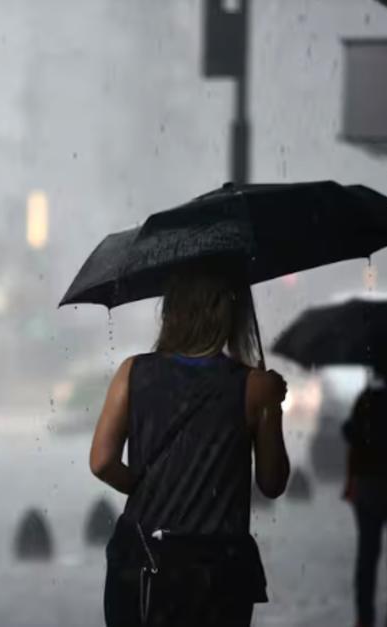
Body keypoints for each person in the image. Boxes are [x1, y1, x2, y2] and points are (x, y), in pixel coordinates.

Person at [89, 258, 290, 627]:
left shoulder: (133, 372)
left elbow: (102, 462)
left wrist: (140, 484)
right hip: (216, 572)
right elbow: (272, 483)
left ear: (172, 312)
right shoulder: (254, 387)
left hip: (141, 559)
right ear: (226, 313)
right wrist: (271, 407)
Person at [342, 359, 387, 627]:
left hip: (369, 488)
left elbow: (353, 443)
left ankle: (365, 618)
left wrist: (350, 483)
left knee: (367, 556)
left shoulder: (368, 399)